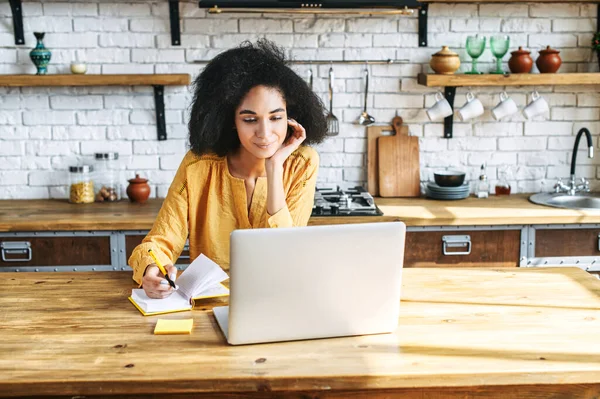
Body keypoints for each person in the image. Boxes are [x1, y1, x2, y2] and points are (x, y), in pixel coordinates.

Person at [128, 39, 328, 299]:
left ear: (290, 116)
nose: (265, 134)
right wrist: (152, 268)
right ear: (230, 120)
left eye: (276, 118)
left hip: (279, 297)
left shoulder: (302, 163)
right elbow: (161, 240)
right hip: (210, 302)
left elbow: (287, 252)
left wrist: (275, 166)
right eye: (249, 119)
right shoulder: (197, 166)